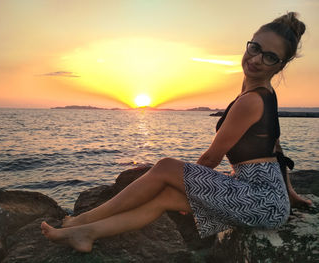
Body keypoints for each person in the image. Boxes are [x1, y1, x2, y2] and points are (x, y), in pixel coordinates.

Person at [41, 12, 309, 252]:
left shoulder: (251, 100)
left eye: (270, 56)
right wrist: (290, 193)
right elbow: (276, 148)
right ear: (248, 44)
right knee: (165, 198)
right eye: (255, 47)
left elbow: (211, 159)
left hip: (260, 201)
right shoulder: (263, 94)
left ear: (281, 65)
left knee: (166, 166)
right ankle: (85, 233)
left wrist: (194, 187)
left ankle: (81, 219)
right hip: (264, 198)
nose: (256, 59)